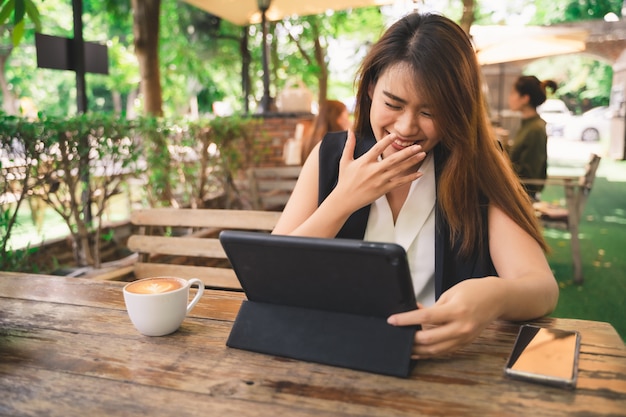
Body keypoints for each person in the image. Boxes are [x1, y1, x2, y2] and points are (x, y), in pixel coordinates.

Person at [272, 13, 558, 359]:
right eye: (393, 104)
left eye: (430, 112)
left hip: (442, 373)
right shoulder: (332, 155)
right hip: (332, 359)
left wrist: (494, 297)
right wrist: (341, 201)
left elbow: (541, 287)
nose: (406, 128)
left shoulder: (477, 165)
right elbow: (270, 273)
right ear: (371, 89)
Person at [507, 75, 558, 201]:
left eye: (513, 93)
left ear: (525, 98)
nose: (510, 98)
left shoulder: (535, 129)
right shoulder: (528, 124)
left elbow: (528, 174)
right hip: (516, 189)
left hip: (523, 195)